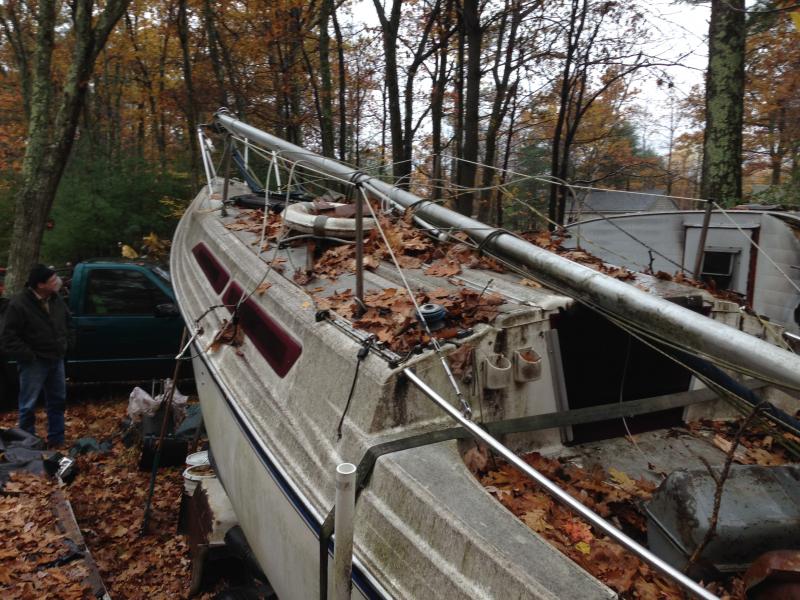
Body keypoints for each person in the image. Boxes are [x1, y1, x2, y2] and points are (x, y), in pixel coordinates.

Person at [0, 265, 70, 448]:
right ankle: (27, 442)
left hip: (56, 358)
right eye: (52, 280)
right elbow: (8, 337)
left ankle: (57, 439)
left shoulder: (56, 299)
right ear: (40, 285)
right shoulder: (19, 304)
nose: (57, 282)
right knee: (28, 405)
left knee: (57, 401)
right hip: (34, 362)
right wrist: (29, 355)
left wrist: (66, 344)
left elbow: (68, 322)